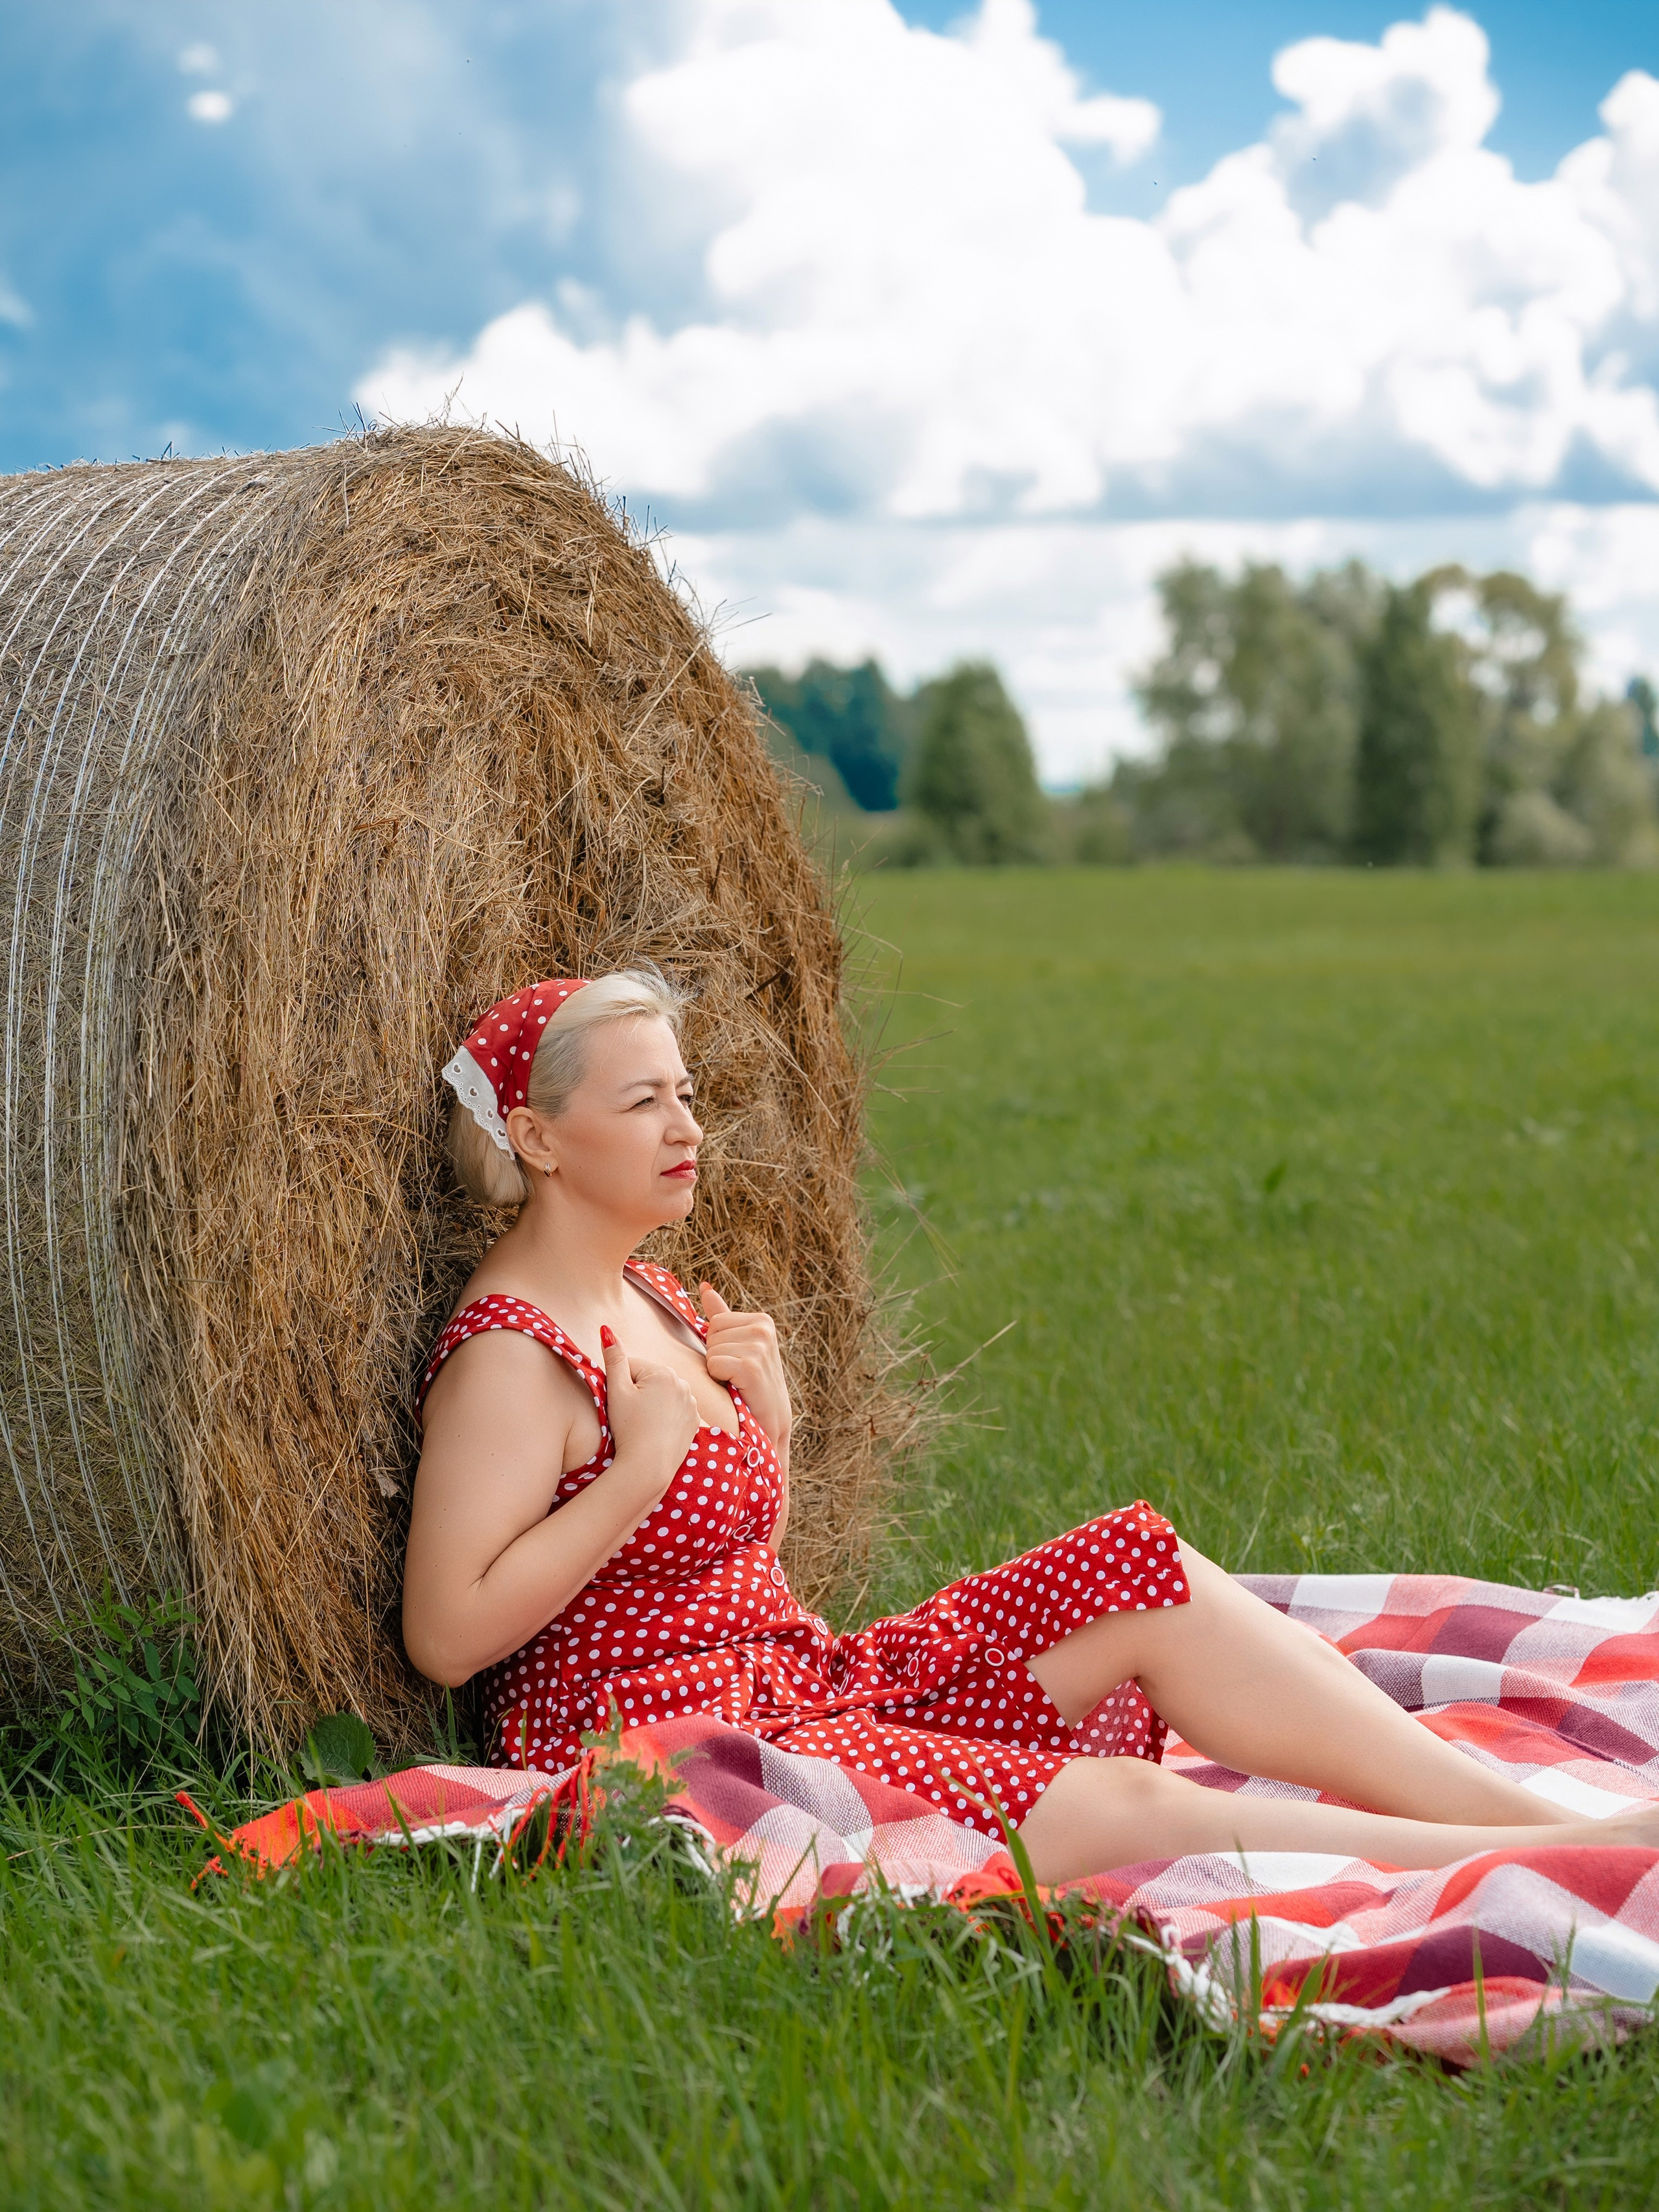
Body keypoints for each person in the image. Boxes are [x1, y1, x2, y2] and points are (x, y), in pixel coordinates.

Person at [403, 970, 1658, 1885]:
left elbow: (722, 1567)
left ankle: (1489, 1807)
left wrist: (769, 1426)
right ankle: (1531, 1855)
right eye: (642, 1103)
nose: (687, 1128)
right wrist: (637, 1477)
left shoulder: (656, 1298)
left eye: (683, 1093)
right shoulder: (515, 1352)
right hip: (687, 1753)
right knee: (1119, 1800)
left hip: (804, 1682)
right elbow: (448, 1638)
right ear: (535, 1137)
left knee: (1144, 1569)